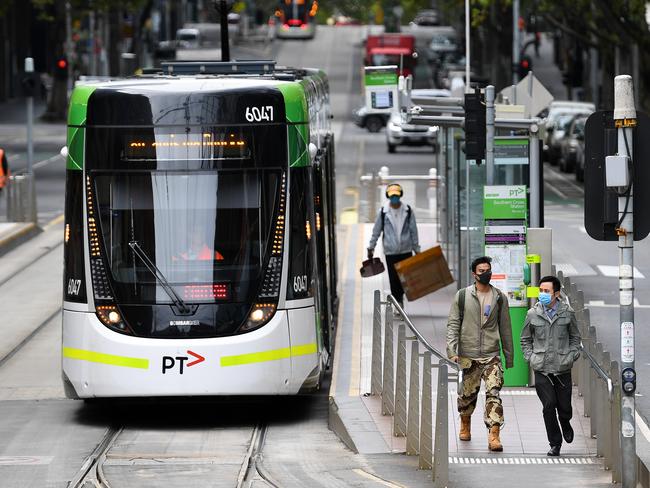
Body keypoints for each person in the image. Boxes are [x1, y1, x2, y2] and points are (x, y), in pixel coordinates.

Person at [446, 256, 514, 452]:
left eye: (488, 270)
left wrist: (508, 357)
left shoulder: (499, 297)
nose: (487, 274)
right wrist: (452, 351)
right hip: (468, 355)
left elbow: (506, 328)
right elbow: (453, 325)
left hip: (492, 355)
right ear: (474, 274)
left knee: (494, 393)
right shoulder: (462, 296)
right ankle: (465, 423)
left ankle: (494, 435)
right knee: (467, 395)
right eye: (482, 271)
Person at [521, 275, 581, 457]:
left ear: (556, 293)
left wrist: (572, 355)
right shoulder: (533, 313)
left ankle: (565, 421)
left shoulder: (567, 312)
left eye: (546, 291)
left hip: (563, 367)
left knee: (564, 407)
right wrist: (530, 358)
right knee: (549, 405)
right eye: (541, 291)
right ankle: (555, 443)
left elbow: (575, 337)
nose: (542, 294)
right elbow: (525, 339)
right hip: (541, 369)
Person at [367, 183, 420, 308]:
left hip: (406, 250)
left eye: (396, 195)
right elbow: (376, 231)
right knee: (393, 278)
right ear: (388, 197)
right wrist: (371, 247)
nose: (394, 198)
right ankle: (398, 303)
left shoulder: (408, 210)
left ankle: (400, 298)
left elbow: (413, 230)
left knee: (404, 279)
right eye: (392, 196)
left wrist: (416, 248)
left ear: (400, 195)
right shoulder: (383, 212)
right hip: (391, 252)